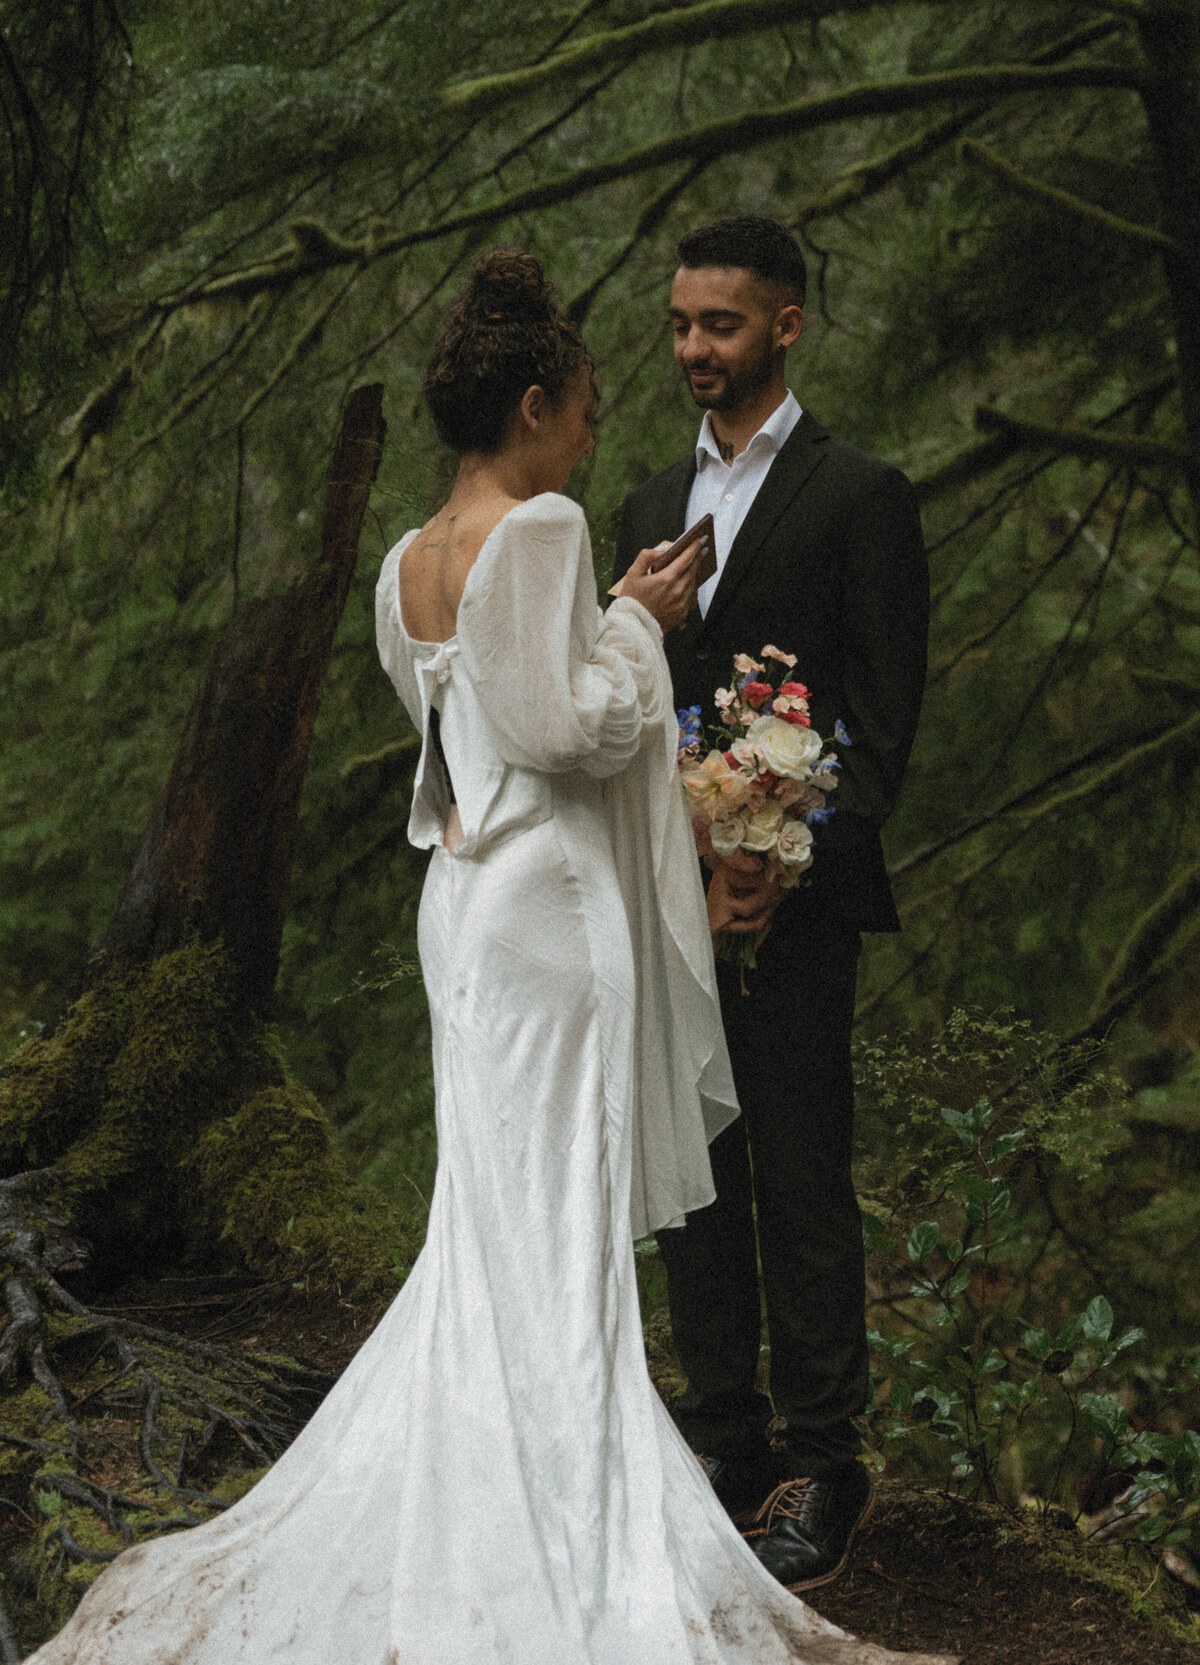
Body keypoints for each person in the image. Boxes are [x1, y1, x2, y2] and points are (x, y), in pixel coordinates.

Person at [30, 250, 947, 1664]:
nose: (596, 427)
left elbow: (463, 735)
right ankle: (564, 1512)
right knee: (559, 1211)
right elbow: (569, 728)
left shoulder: (407, 563)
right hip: (549, 910)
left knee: (496, 1214)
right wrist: (637, 622)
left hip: (468, 898)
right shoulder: (548, 526)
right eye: (582, 405)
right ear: (531, 404)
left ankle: (545, 1473)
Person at [612, 215, 930, 1595]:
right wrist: (691, 847)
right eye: (680, 324)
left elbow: (881, 720)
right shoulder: (640, 507)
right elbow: (626, 713)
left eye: (720, 325)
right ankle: (722, 1441)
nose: (693, 348)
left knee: (801, 1173)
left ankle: (822, 1458)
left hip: (796, 908)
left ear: (785, 324)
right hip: (675, 896)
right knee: (694, 1179)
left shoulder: (862, 495)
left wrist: (772, 849)